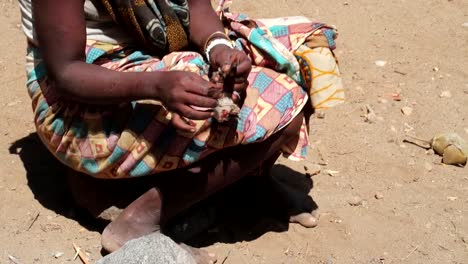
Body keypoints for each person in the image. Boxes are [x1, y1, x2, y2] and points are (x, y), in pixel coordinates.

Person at [19, 0, 344, 261]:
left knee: (305, 46)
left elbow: (199, 12)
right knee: (261, 97)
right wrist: (157, 86)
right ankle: (138, 221)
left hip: (153, 59)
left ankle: (251, 181)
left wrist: (220, 49)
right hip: (80, 96)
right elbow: (66, 71)